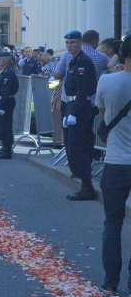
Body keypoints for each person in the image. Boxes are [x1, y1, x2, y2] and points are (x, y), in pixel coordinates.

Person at [96, 35, 131, 294]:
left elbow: (103, 116)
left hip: (116, 162)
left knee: (112, 223)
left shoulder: (107, 81)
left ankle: (110, 281)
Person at [59, 30, 99, 201]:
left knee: (79, 148)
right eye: (68, 43)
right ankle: (84, 184)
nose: (70, 46)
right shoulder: (74, 60)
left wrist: (74, 112)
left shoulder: (83, 61)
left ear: (80, 43)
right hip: (72, 105)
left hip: (80, 109)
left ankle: (87, 187)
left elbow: (84, 90)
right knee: (72, 147)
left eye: (73, 43)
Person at [0, 50, 19, 159]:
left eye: (1, 59)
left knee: (6, 127)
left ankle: (7, 151)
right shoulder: (3, 72)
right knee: (2, 127)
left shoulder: (9, 73)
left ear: (7, 60)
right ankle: (4, 147)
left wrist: (2, 106)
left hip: (6, 102)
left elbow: (6, 90)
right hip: (3, 101)